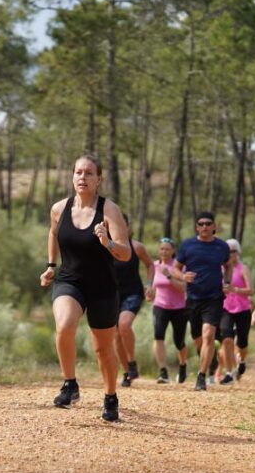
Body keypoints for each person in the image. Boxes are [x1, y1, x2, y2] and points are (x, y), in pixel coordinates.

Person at [40, 155, 131, 422]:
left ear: (98, 179)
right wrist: (51, 265)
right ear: (72, 176)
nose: (83, 177)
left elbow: (125, 253)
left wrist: (108, 243)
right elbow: (53, 233)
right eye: (78, 172)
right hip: (70, 280)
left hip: (103, 286)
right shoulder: (59, 208)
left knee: (103, 349)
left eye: (89, 173)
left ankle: (110, 396)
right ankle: (70, 384)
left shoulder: (109, 210)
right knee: (64, 325)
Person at [172, 212, 232, 391]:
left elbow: (228, 265)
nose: (204, 227)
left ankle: (201, 376)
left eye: (208, 223)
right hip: (193, 298)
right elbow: (175, 268)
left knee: (208, 335)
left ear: (214, 226)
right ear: (197, 227)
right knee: (198, 339)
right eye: (201, 224)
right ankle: (210, 361)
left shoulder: (222, 246)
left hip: (214, 298)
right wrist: (183, 276)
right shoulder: (187, 245)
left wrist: (227, 282)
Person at [114, 215, 155, 387]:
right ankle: (127, 373)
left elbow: (150, 265)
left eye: (122, 224)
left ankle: (131, 363)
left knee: (124, 325)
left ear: (128, 226)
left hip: (133, 293)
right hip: (112, 294)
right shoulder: (105, 247)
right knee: (116, 335)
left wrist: (150, 284)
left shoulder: (136, 247)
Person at [147, 237, 190, 384]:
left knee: (179, 342)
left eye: (167, 249)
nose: (164, 252)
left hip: (179, 308)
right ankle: (163, 372)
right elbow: (152, 288)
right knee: (158, 336)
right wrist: (149, 294)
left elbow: (184, 288)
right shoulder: (154, 266)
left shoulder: (178, 266)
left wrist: (169, 276)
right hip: (160, 306)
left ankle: (183, 365)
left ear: (173, 251)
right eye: (161, 249)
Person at [216, 239, 253, 384]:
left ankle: (241, 360)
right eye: (228, 251)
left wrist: (235, 289)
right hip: (225, 309)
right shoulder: (220, 269)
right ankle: (229, 372)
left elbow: (251, 290)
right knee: (227, 338)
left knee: (242, 343)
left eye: (233, 251)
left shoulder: (243, 269)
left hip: (243, 309)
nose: (231, 254)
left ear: (238, 252)